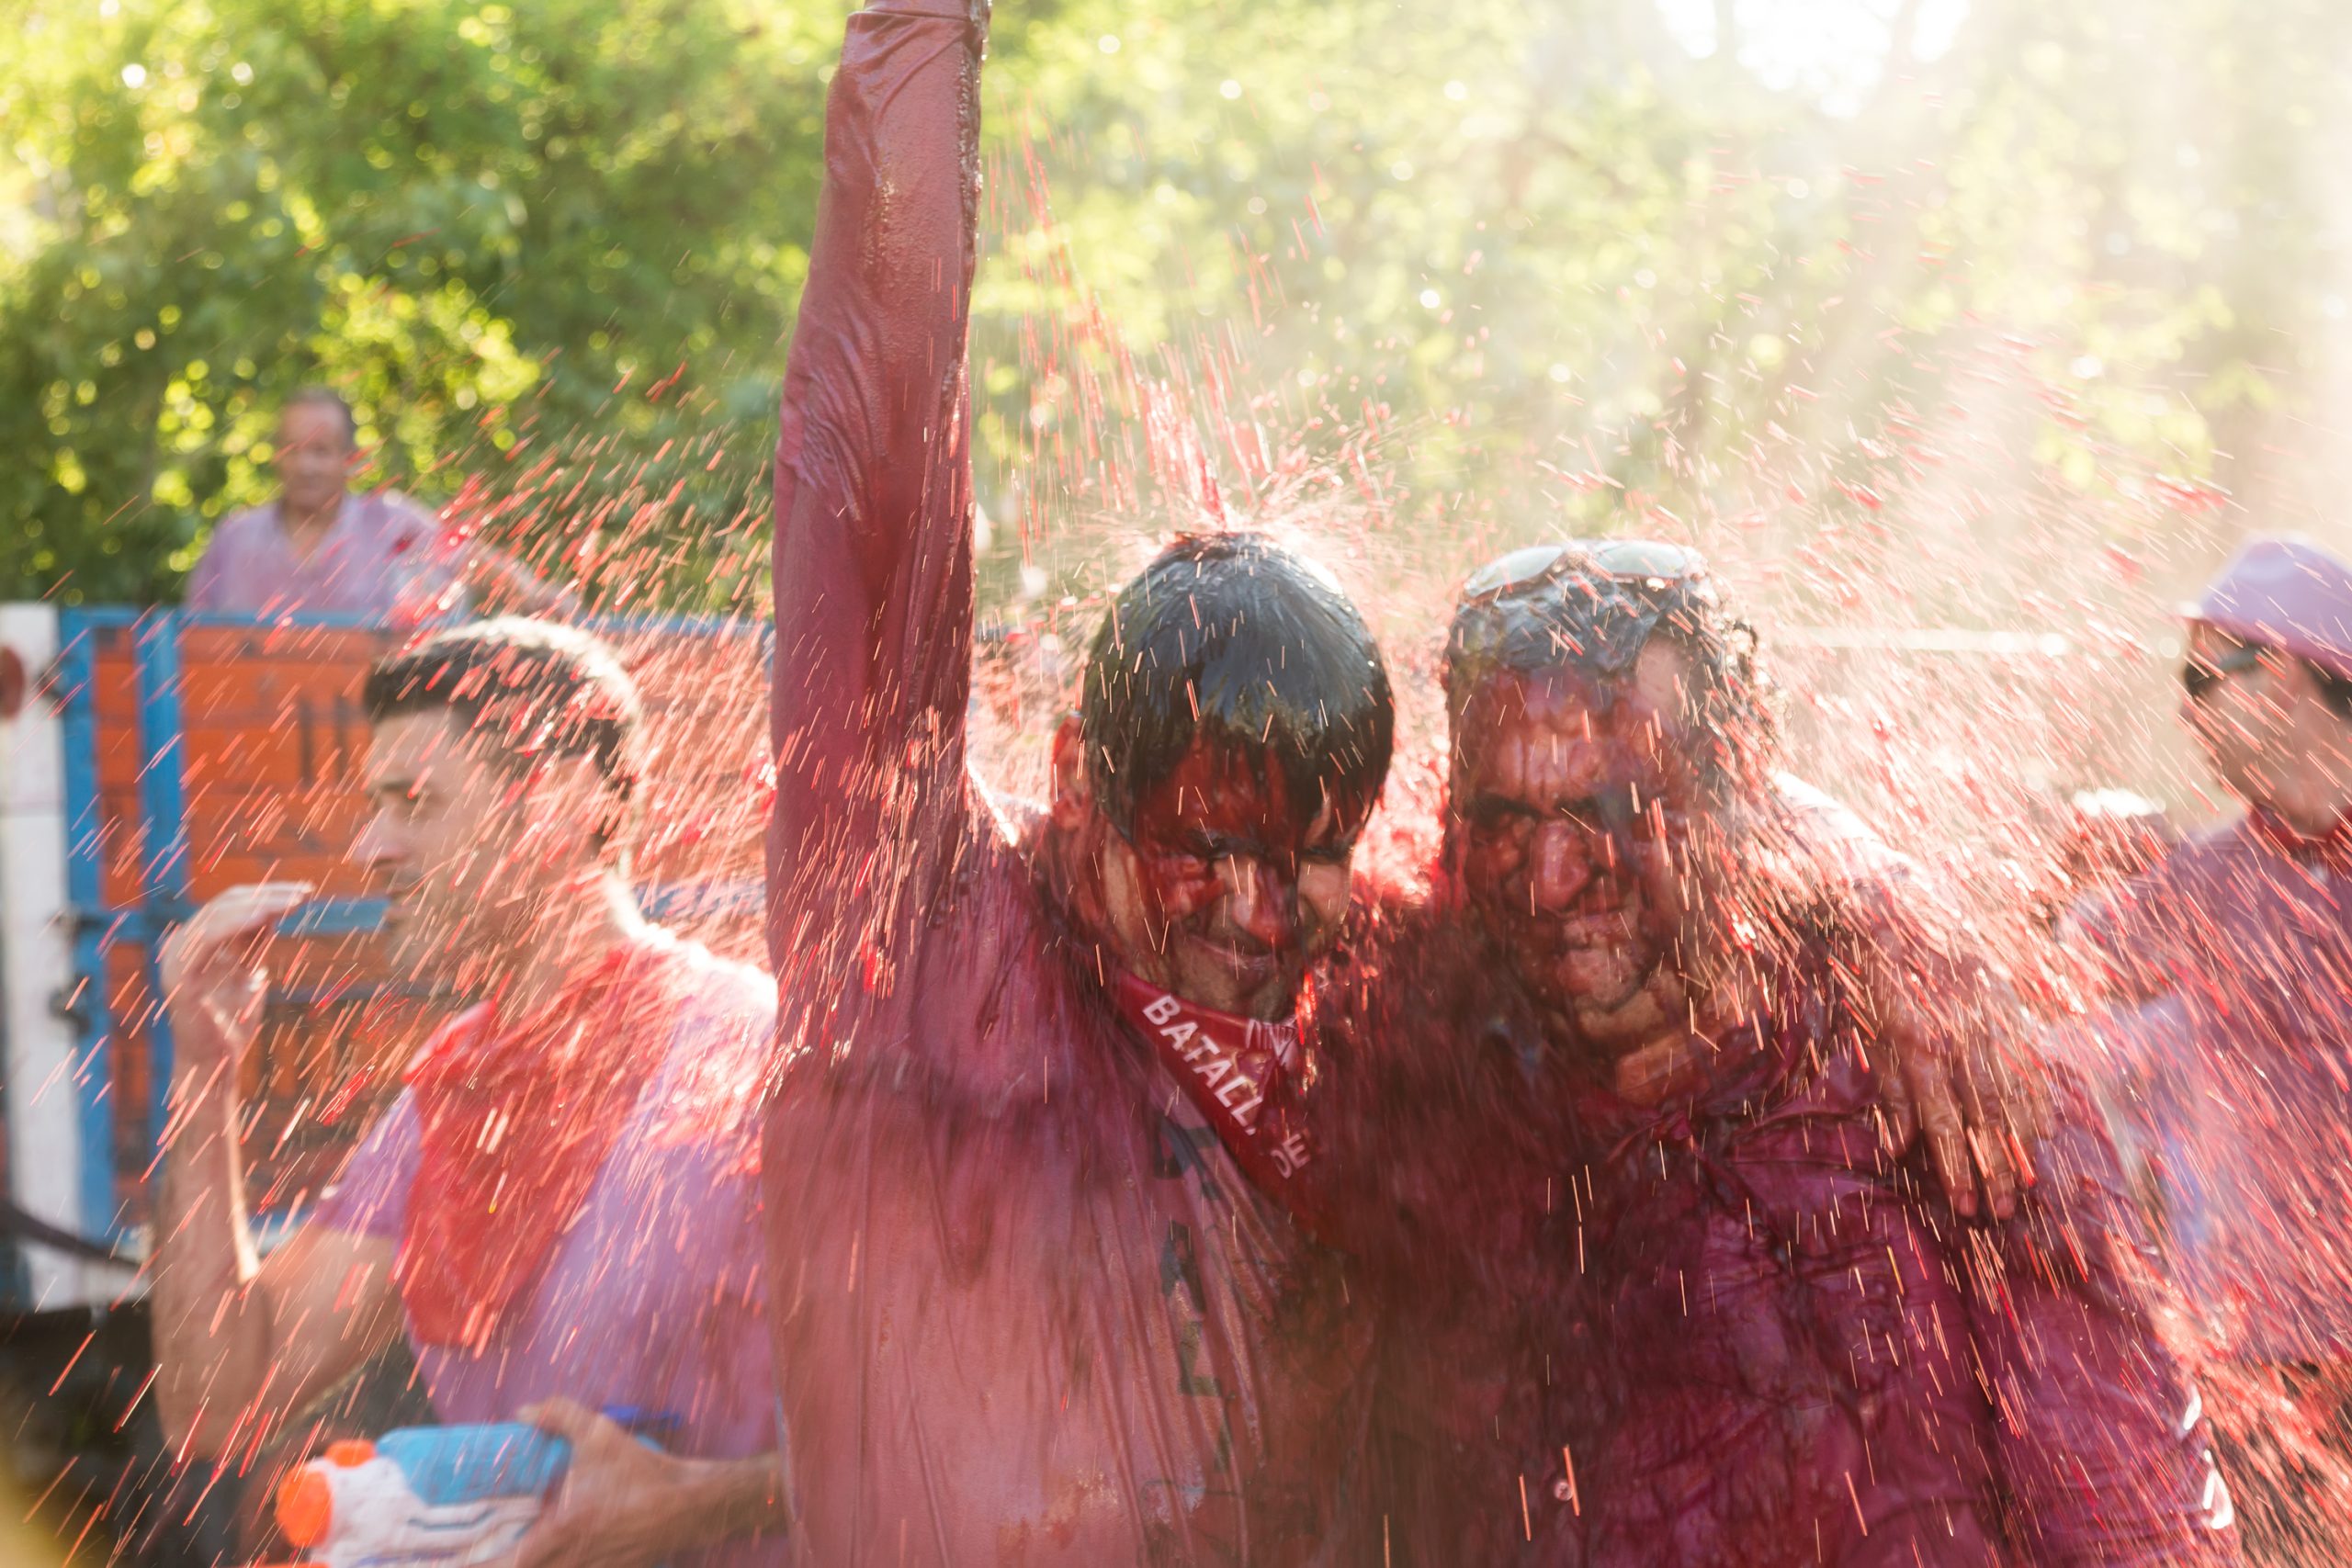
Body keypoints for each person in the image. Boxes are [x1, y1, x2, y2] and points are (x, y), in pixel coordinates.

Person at [763, 3, 1397, 1560]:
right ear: (1071, 776)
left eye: (1311, 855)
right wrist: (922, 34)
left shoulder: (1387, 1027)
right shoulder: (924, 938)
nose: (1260, 913)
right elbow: (877, 470)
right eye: (1204, 841)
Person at [1324, 540, 2236, 1564]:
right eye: (1506, 820)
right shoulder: (1425, 1054)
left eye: (1610, 809)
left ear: (1736, 790)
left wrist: (1887, 912)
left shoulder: (1937, 1098)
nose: (1550, 874)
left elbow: (2133, 1521)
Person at [152, 618, 786, 1568]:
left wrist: (705, 1505)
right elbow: (218, 1401)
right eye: (376, 804)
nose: (370, 845)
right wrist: (204, 1077)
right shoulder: (443, 1103)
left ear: (563, 803)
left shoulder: (760, 1056)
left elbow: (961, 1420)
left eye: (414, 800)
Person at [2060, 536, 2352, 1554]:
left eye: (2199, 679)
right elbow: (2047, 972)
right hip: (2253, 1369)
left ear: (2277, 678)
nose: (2183, 712)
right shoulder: (2207, 881)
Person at [187, 387, 572, 624]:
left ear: (350, 459)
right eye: (293, 451)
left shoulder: (392, 523)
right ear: (276, 456)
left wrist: (536, 595)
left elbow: (469, 560)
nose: (305, 466)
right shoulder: (235, 539)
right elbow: (191, 638)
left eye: (321, 452)